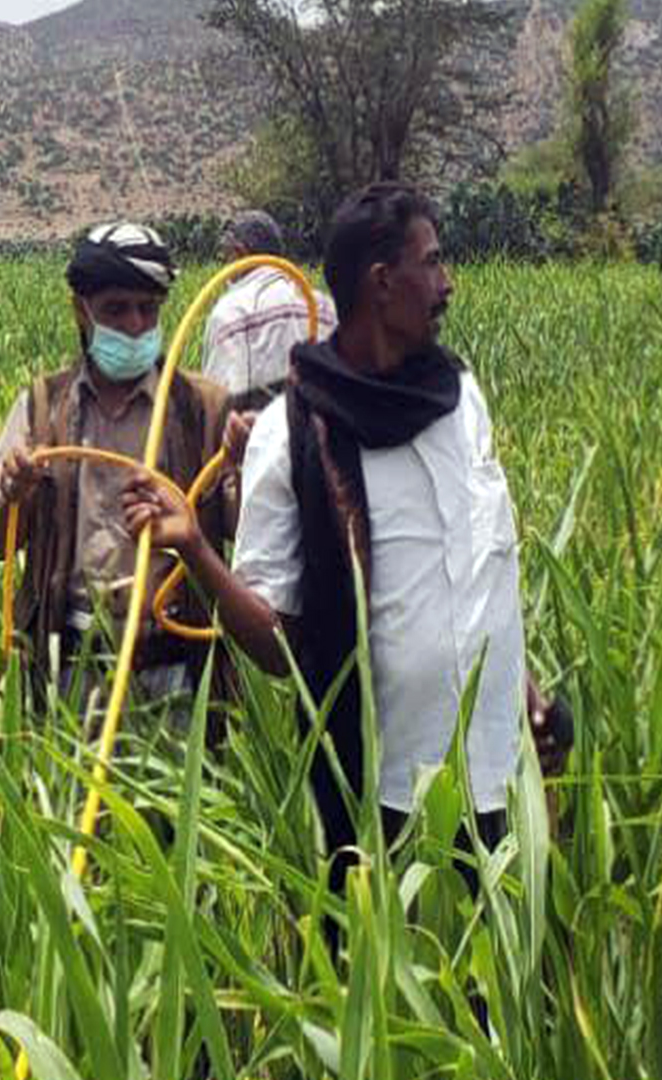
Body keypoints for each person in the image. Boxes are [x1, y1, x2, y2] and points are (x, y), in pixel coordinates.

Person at [122, 183, 572, 921]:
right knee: (392, 1001)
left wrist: (523, 694)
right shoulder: (293, 431)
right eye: (431, 263)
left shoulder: (460, 397)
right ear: (381, 282)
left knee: (508, 1005)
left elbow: (485, 570)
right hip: (382, 793)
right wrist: (199, 550)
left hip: (500, 770)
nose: (447, 282)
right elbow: (278, 644)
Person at [0, 222, 239, 718]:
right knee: (75, 798)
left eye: (148, 309)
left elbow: (247, 534)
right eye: (116, 310)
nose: (136, 326)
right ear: (82, 309)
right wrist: (15, 495)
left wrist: (244, 463)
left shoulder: (204, 408)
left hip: (176, 664)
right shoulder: (42, 406)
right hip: (71, 664)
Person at [202, 210, 338, 412]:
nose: (225, 268)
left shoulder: (232, 312)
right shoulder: (325, 306)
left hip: (259, 441)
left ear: (240, 253)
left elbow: (218, 408)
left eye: (226, 258)